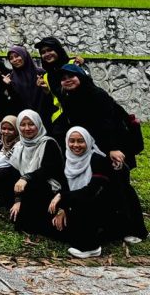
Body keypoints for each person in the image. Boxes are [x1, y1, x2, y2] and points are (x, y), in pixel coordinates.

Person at [57, 64, 148, 243]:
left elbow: (108, 122)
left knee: (122, 185)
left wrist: (112, 148)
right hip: (97, 146)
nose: (67, 80)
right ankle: (113, 225)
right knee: (108, 186)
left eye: (71, 76)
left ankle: (136, 229)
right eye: (63, 77)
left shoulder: (96, 94)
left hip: (115, 146)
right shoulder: (70, 97)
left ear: (81, 77)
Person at [48, 126, 111, 258]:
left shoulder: (97, 159)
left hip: (98, 207)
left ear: (88, 141)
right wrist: (63, 209)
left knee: (84, 204)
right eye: (72, 141)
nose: (76, 145)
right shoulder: (67, 159)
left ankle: (90, 247)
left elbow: (92, 191)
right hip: (74, 204)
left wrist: (62, 197)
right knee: (51, 221)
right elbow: (65, 187)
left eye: (80, 141)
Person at [4, 109, 65, 236]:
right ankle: (17, 206)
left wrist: (27, 178)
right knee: (4, 174)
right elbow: (13, 169)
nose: (27, 128)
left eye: (31, 124)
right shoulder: (20, 145)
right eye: (23, 124)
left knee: (32, 187)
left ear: (38, 124)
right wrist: (17, 199)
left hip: (47, 186)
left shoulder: (48, 143)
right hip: (26, 186)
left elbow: (48, 170)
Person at [4, 46, 46, 119]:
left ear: (24, 55)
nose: (14, 60)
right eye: (11, 58)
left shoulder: (40, 72)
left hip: (43, 114)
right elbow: (15, 100)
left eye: (17, 56)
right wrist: (9, 85)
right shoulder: (12, 77)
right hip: (23, 117)